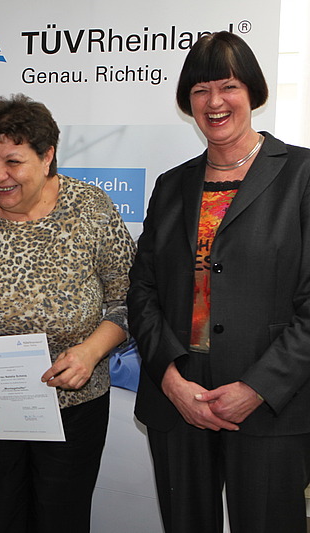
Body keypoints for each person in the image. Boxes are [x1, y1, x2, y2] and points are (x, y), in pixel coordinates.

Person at [0, 94, 136, 533]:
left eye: (13, 162)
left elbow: (129, 298)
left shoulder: (90, 208)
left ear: (47, 156)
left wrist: (90, 352)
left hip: (73, 406)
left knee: (61, 521)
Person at [128, 31, 310, 533]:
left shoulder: (301, 175)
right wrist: (170, 379)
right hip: (179, 399)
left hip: (272, 403)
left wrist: (256, 387)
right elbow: (142, 290)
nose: (214, 102)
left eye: (228, 86)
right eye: (200, 90)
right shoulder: (171, 185)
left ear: (253, 92)